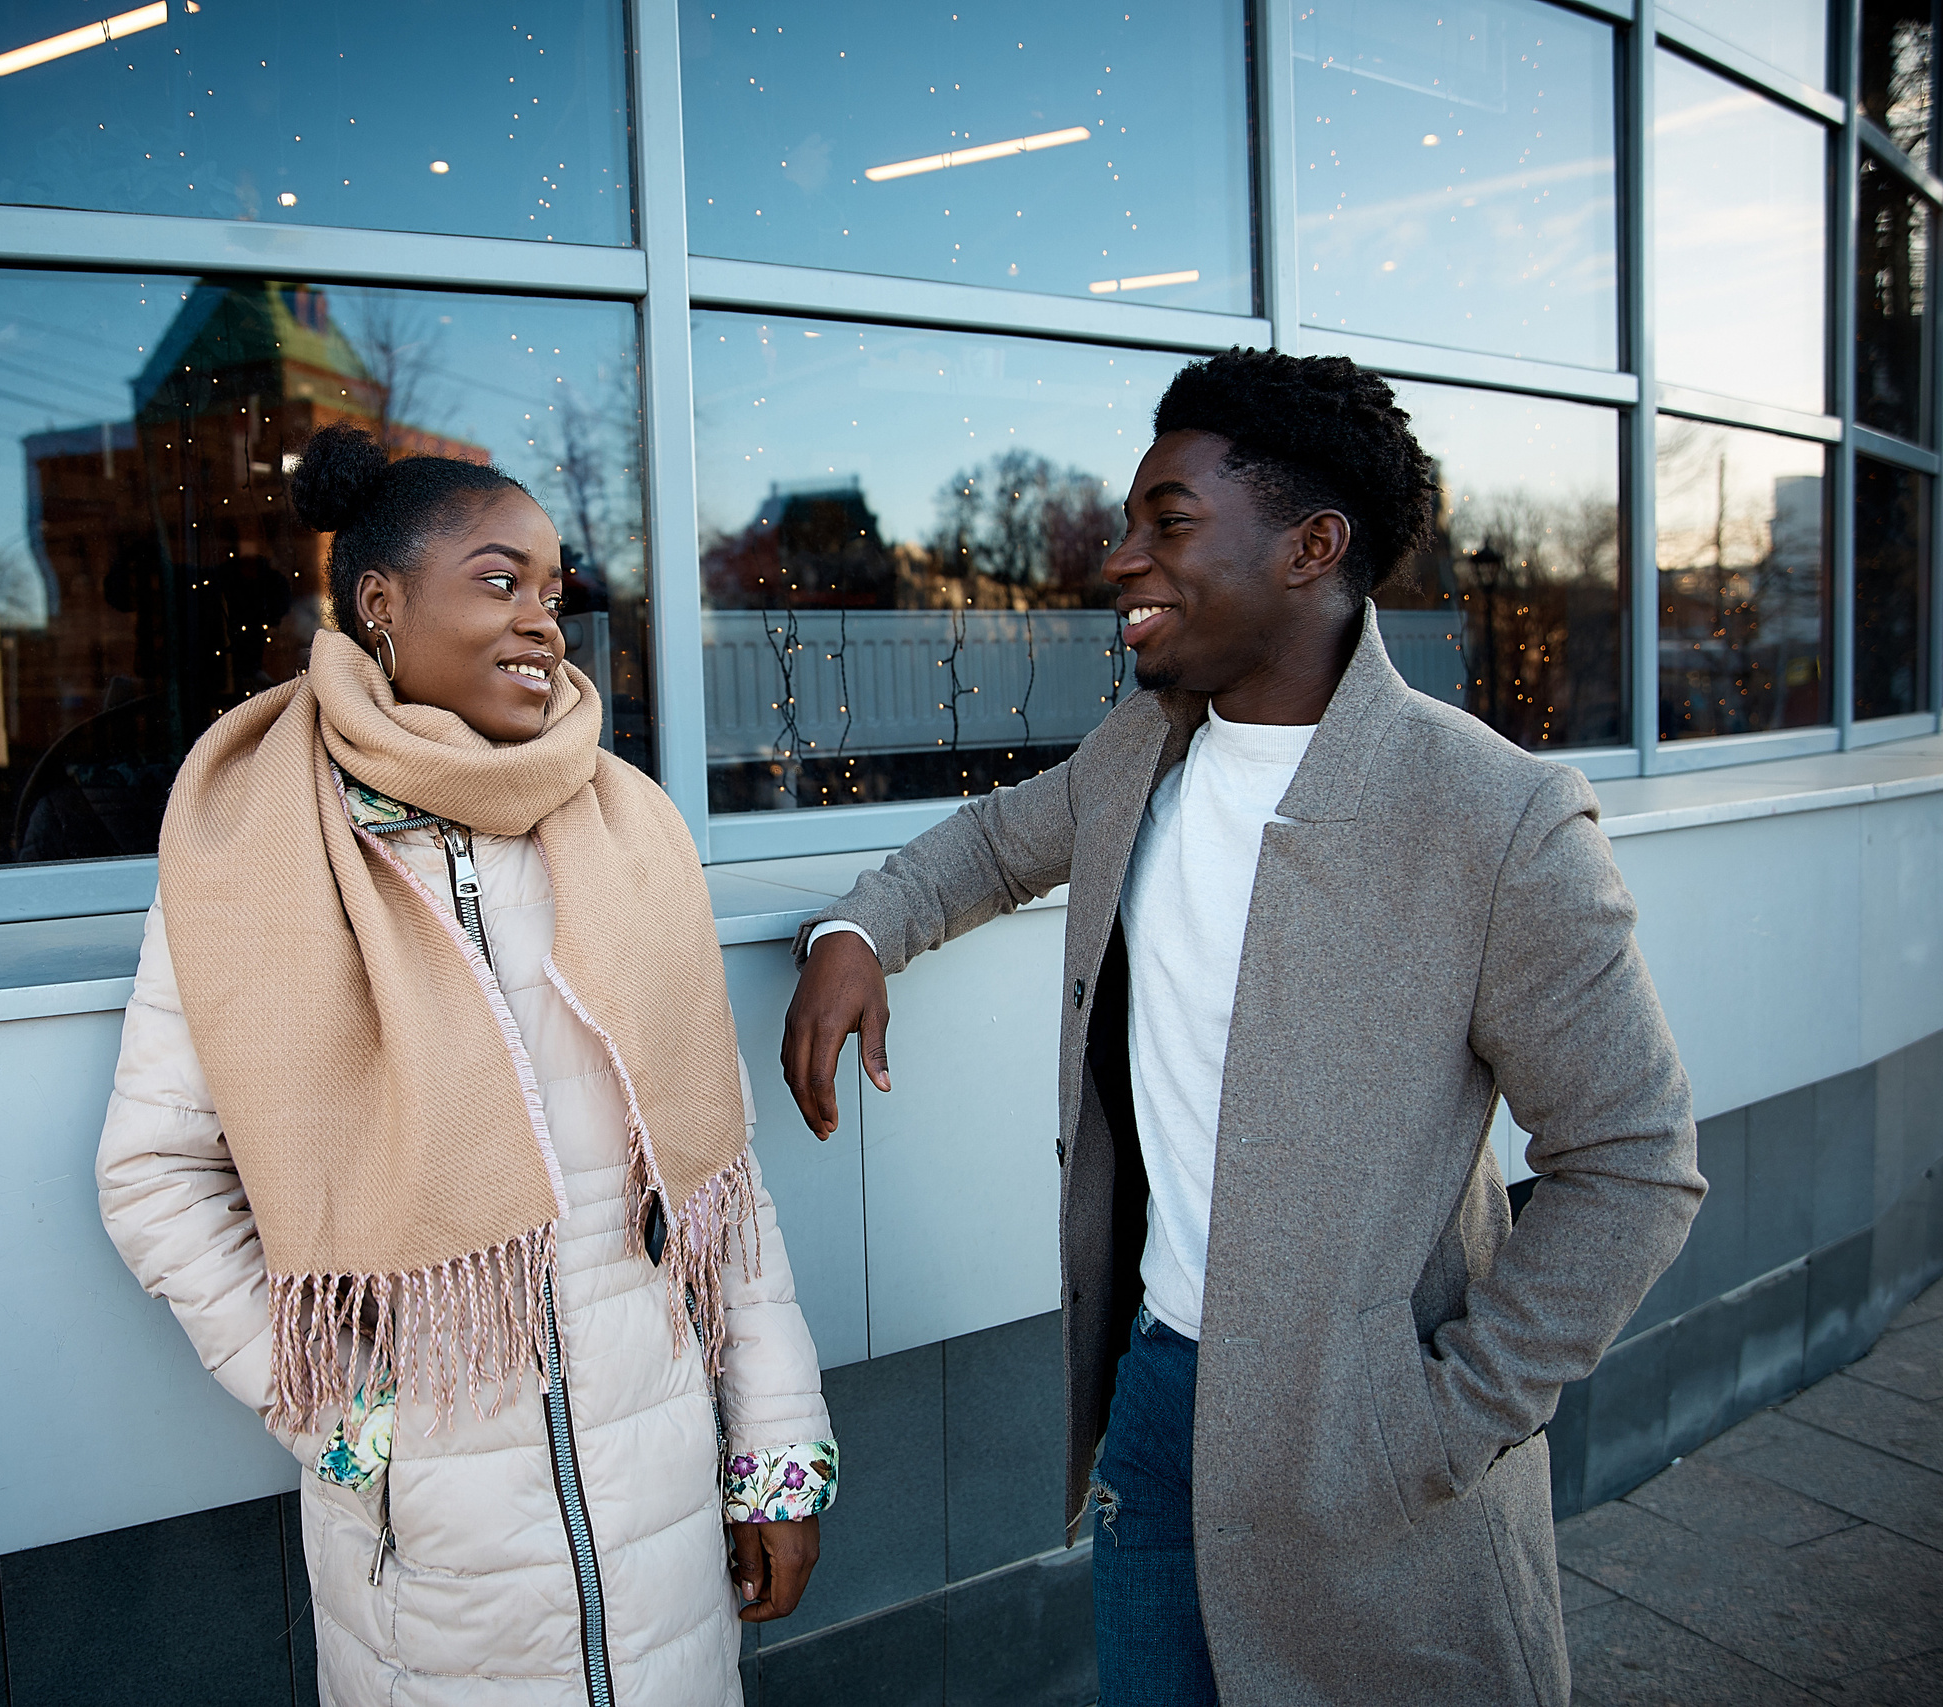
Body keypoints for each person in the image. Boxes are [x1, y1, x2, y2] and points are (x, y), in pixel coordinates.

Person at [780, 350, 1702, 1706]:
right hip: (1155, 1400)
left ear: (1311, 547)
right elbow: (981, 845)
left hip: (1366, 1439)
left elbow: (1633, 1158)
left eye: (1169, 521)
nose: (1120, 559)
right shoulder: (1134, 752)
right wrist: (853, 933)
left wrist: (1439, 1420)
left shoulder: (1494, 816)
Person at [97, 424, 833, 1707]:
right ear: (378, 605)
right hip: (428, 1562)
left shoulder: (625, 831)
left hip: (663, 1502)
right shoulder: (260, 849)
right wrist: (343, 1421)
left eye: (552, 591)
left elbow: (720, 1189)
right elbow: (155, 1176)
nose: (543, 623)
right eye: (499, 583)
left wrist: (772, 1455)